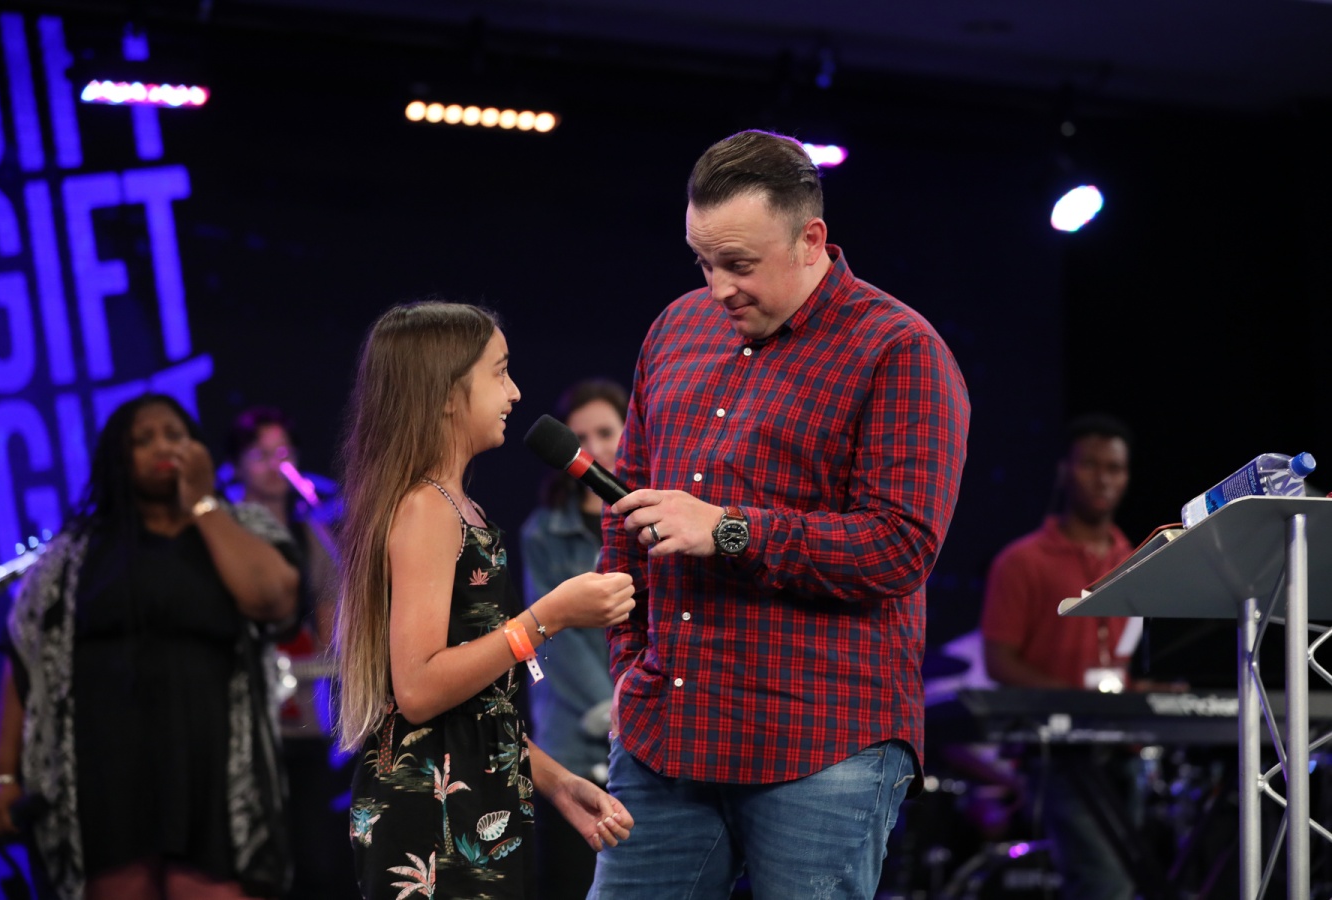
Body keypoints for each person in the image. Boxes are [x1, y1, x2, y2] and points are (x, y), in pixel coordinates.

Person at [591, 130, 971, 900]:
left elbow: (898, 548)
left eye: (739, 264)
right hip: (666, 734)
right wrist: (629, 668)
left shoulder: (899, 349)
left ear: (811, 241)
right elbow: (625, 513)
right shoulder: (675, 329)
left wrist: (728, 529)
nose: (718, 288)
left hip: (821, 743)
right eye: (703, 262)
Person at [334, 301, 637, 900]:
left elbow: (475, 707)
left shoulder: (458, 507)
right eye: (499, 372)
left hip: (477, 794)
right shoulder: (426, 508)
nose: (516, 392)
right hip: (434, 812)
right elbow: (420, 689)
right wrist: (549, 617)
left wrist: (555, 781)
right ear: (448, 393)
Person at [0, 393, 300, 899]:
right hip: (103, 774)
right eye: (143, 439)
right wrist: (4, 778)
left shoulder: (238, 525)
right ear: (117, 456)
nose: (163, 447)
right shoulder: (71, 555)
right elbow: (23, 663)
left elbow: (275, 600)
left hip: (215, 771)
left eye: (175, 435)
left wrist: (202, 504)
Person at [980, 412, 1137, 900]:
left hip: (1125, 747)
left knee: (1132, 875)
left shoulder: (1136, 558)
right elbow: (999, 661)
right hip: (1056, 752)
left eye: (1115, 468)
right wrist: (1076, 699)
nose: (1103, 479)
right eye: (1091, 465)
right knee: (1104, 883)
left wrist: (1138, 693)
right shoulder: (1021, 561)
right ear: (1064, 471)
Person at [225, 406, 358, 900]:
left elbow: (330, 622)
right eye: (261, 455)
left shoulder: (312, 537)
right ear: (237, 465)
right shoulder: (225, 535)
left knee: (315, 859)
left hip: (302, 719)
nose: (276, 465)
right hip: (241, 725)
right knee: (254, 861)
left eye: (283, 453)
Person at [520, 379, 629, 900]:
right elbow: (550, 639)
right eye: (580, 438)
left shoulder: (650, 518)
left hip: (643, 736)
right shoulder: (544, 532)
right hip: (574, 740)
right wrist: (614, 708)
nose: (594, 449)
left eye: (606, 433)